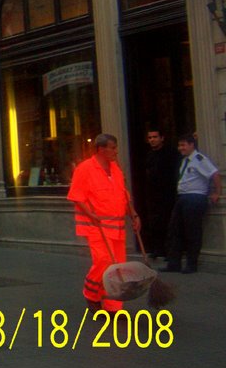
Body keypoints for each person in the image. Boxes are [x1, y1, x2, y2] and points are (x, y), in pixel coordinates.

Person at [67, 134, 140, 312]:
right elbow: (77, 196)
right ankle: (91, 294)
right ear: (101, 149)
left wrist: (134, 215)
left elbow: (124, 195)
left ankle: (113, 306)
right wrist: (91, 214)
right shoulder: (85, 169)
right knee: (104, 262)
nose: (116, 152)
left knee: (118, 266)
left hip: (117, 226)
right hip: (97, 226)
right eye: (113, 148)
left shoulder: (116, 169)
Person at [162, 133, 221, 274]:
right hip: (183, 197)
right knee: (174, 230)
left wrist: (217, 192)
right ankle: (174, 263)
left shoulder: (199, 159)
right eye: (179, 145)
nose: (180, 148)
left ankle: (191, 264)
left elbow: (214, 174)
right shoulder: (185, 160)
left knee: (192, 231)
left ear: (191, 145)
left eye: (183, 145)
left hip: (195, 197)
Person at [142, 128, 179, 258]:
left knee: (169, 223)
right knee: (155, 222)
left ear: (162, 138)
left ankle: (170, 251)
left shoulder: (171, 153)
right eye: (150, 137)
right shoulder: (150, 155)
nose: (152, 140)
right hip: (153, 195)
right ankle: (157, 249)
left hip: (168, 194)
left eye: (155, 137)